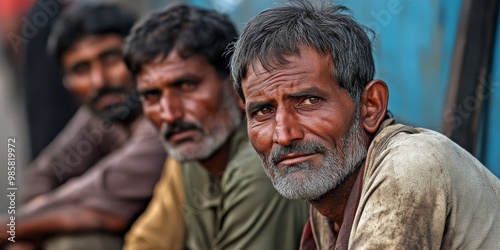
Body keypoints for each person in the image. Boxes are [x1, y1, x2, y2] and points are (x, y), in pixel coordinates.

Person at [230, 1, 500, 250]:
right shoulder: (329, 196)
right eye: (263, 111)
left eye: (309, 101)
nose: (284, 135)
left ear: (370, 105)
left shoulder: (408, 167)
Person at [122, 3, 308, 250]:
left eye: (187, 86)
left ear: (236, 86)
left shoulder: (262, 165)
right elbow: (148, 242)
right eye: (152, 95)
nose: (169, 113)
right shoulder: (190, 151)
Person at [0, 3, 166, 249]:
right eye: (81, 69)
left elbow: (103, 206)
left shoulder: (164, 114)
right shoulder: (104, 110)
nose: (99, 80)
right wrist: (26, 233)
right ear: (66, 81)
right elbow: (42, 174)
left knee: (75, 243)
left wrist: (14, 226)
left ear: (140, 57)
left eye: (111, 59)